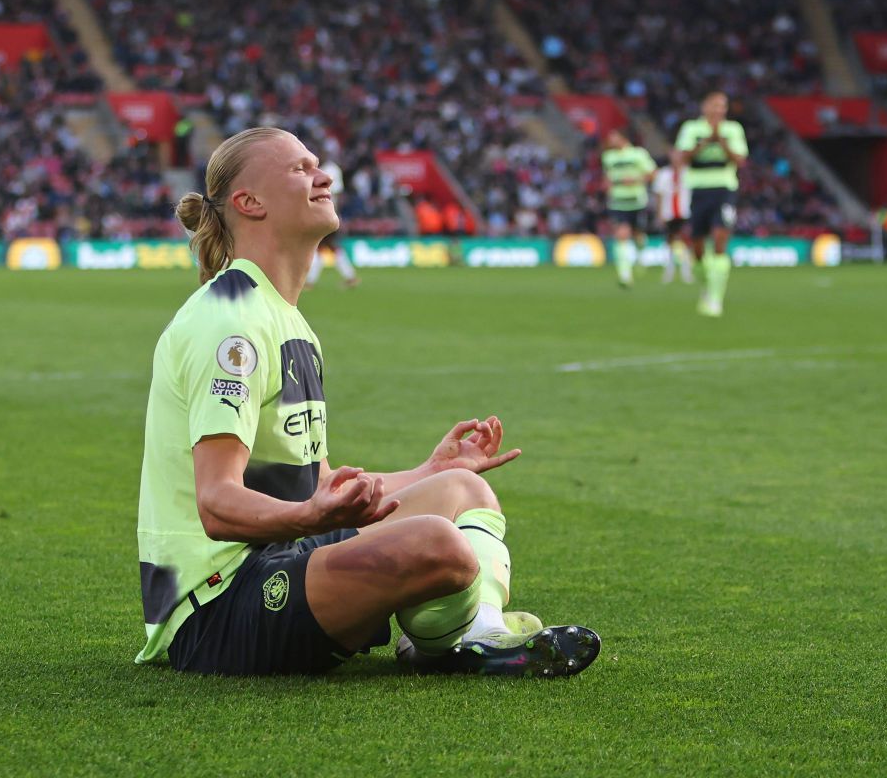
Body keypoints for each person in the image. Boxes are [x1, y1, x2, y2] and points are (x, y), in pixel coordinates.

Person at [136, 127, 600, 677]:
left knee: (463, 488)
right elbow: (216, 504)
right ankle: (461, 639)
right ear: (249, 202)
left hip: (282, 554)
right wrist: (309, 516)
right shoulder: (230, 320)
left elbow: (319, 485)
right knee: (438, 544)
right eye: (300, 169)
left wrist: (428, 470)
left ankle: (469, 635)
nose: (324, 175)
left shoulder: (287, 318)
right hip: (217, 607)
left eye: (317, 163)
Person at [673, 92, 748, 316]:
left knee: (719, 239)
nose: (719, 110)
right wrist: (706, 142)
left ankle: (716, 299)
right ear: (704, 106)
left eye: (722, 106)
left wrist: (722, 142)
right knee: (697, 246)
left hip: (724, 190)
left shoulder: (733, 130)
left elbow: (740, 161)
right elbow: (681, 159)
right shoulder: (691, 129)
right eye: (715, 105)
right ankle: (707, 286)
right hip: (697, 190)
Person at [601, 129, 657, 288]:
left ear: (623, 138)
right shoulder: (608, 157)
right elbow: (607, 177)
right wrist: (607, 184)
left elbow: (653, 174)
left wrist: (635, 179)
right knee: (622, 234)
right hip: (618, 202)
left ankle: (640, 256)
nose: (611, 140)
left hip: (637, 201)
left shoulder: (638, 154)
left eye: (614, 137)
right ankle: (624, 274)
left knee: (638, 234)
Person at [304, 146, 359, 289]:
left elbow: (335, 195)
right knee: (327, 247)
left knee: (319, 246)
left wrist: (334, 214)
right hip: (324, 214)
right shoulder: (324, 169)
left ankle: (310, 281)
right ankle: (350, 277)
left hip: (326, 214)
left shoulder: (330, 170)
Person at [650, 163, 694, 284]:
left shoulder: (689, 172)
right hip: (668, 213)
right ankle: (669, 271)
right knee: (669, 242)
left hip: (685, 212)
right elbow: (658, 194)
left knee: (686, 242)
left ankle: (687, 272)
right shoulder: (663, 174)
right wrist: (659, 214)